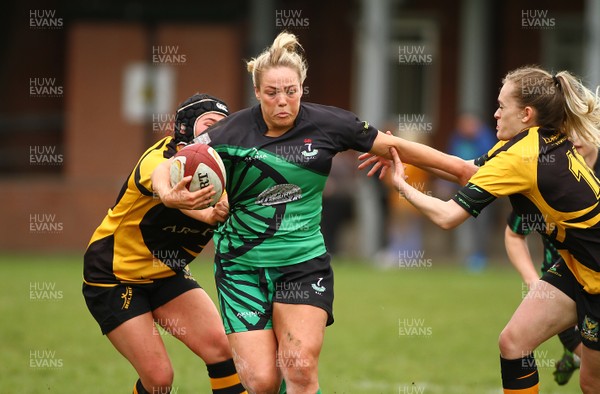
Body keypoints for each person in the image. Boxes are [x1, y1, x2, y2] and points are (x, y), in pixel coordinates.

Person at [153, 31, 476, 393]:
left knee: (301, 369)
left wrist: (463, 170)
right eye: (272, 93)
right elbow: (167, 165)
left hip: (303, 264)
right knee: (261, 382)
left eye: (291, 91)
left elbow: (396, 146)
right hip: (241, 267)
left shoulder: (328, 123)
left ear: (302, 88)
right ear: (257, 92)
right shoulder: (231, 132)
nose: (282, 101)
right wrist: (169, 195)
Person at [385, 66, 600, 393]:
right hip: (578, 269)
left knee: (592, 384)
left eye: (502, 106)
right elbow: (463, 170)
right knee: (514, 342)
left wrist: (402, 184)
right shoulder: (534, 141)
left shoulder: (521, 155)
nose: (495, 113)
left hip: (596, 275)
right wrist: (390, 147)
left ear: (526, 114)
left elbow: (446, 217)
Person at [82, 94, 247, 394]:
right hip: (113, 276)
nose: (216, 134)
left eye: (223, 128)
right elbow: (160, 178)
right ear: (183, 128)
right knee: (159, 379)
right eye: (209, 125)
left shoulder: (224, 172)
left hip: (165, 273)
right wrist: (171, 196)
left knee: (224, 349)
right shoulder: (159, 160)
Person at [504, 131, 600, 386]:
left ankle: (576, 359)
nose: (575, 138)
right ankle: (576, 355)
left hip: (596, 288)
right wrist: (532, 280)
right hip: (562, 292)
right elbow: (514, 235)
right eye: (567, 131)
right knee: (512, 340)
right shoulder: (550, 178)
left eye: (582, 129)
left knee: (590, 383)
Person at [447, 113, 497, 271]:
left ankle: (479, 256)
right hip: (460, 187)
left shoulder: (486, 138)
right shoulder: (457, 138)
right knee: (461, 222)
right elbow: (450, 160)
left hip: (483, 187)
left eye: (467, 124)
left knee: (480, 224)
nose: (464, 128)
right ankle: (465, 254)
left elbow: (490, 162)